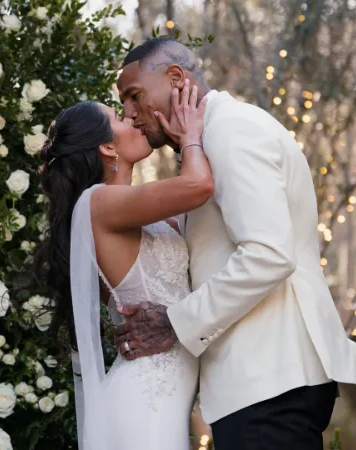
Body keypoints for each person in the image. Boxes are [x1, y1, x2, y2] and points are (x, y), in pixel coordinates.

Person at [115, 37, 356, 450]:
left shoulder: (231, 130)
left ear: (176, 77)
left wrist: (176, 321)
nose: (129, 112)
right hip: (262, 383)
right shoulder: (209, 141)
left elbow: (268, 255)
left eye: (134, 95)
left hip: (269, 382)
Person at [36, 89, 212, 450]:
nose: (131, 119)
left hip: (162, 400)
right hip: (145, 404)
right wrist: (190, 137)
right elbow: (198, 185)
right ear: (107, 148)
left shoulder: (132, 209)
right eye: (118, 117)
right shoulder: (97, 202)